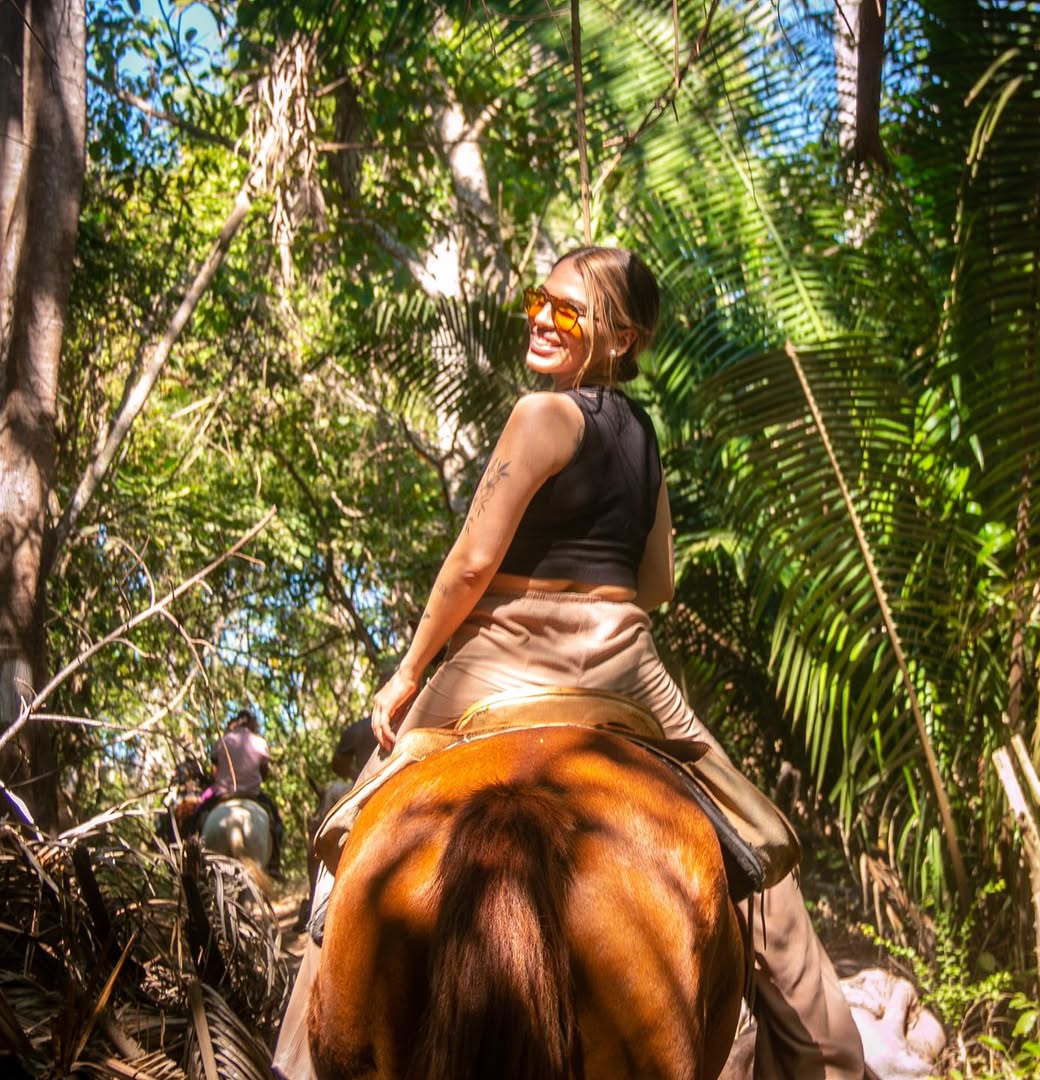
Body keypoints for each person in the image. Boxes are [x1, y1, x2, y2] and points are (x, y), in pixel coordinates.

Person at [273, 246, 865, 1078]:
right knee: (760, 850)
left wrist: (408, 673)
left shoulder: (540, 417)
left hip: (500, 654)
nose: (543, 321)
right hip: (625, 666)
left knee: (350, 839)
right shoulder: (644, 435)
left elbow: (472, 566)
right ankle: (829, 1061)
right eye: (537, 302)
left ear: (620, 339)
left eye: (567, 312)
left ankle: (296, 1058)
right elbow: (655, 583)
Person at [200, 708, 286, 880]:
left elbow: (214, 770)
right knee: (276, 823)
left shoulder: (223, 740)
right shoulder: (259, 742)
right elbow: (264, 774)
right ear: (252, 723)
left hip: (223, 797)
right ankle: (274, 863)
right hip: (252, 796)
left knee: (196, 819)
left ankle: (196, 864)